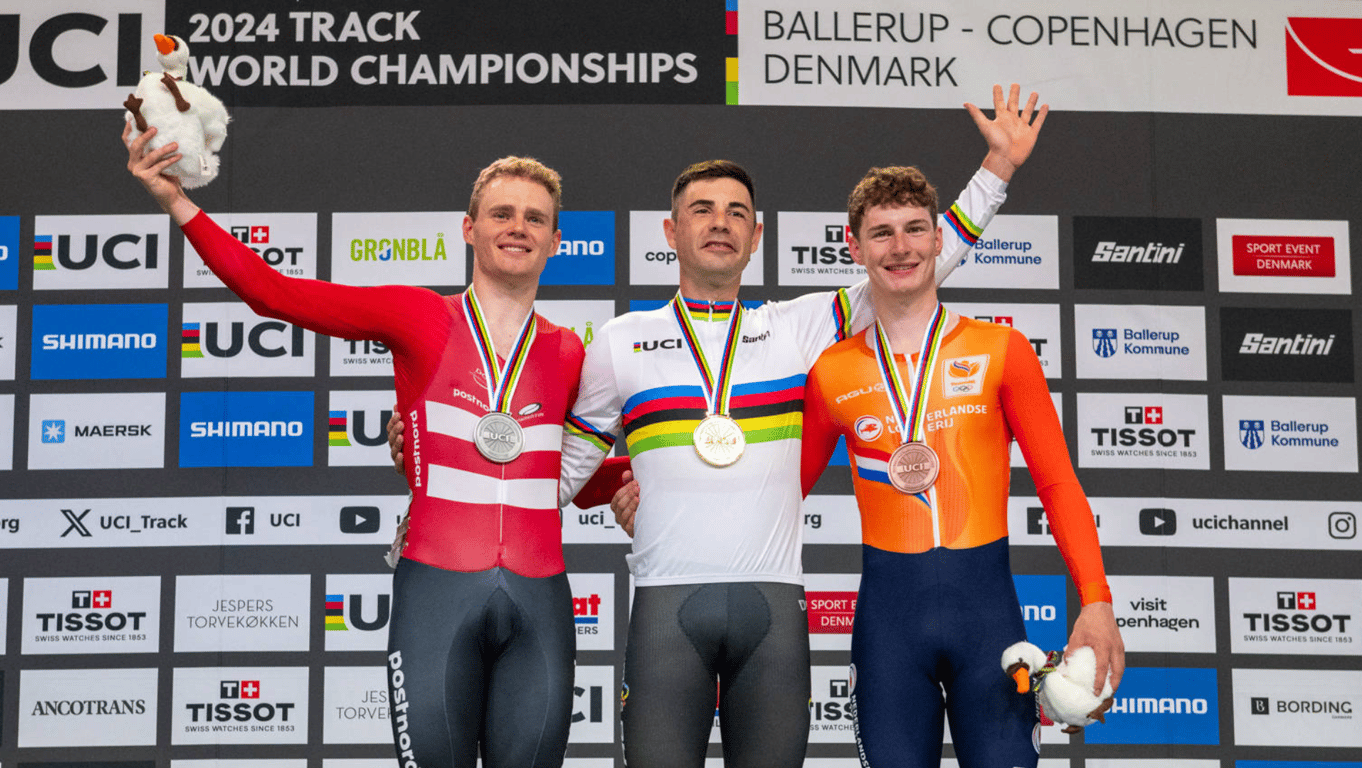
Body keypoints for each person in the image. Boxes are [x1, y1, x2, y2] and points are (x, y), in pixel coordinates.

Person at [555, 85, 1046, 768]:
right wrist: (438, 488)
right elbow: (558, 473)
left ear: (758, 236)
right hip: (666, 605)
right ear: (671, 232)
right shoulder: (618, 341)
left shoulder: (801, 328)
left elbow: (919, 260)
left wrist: (997, 170)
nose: (719, 223)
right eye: (701, 210)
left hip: (773, 612)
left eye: (737, 212)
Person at [125, 122, 592, 768]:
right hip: (437, 590)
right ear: (468, 229)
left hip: (541, 599)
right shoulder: (419, 315)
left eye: (535, 218)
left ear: (555, 241)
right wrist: (178, 202)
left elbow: (568, 473)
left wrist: (640, 479)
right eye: (502, 213)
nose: (519, 227)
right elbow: (275, 294)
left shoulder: (570, 351)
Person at [796, 162, 1124, 768]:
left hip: (989, 626)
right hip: (888, 631)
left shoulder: (1001, 349)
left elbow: (1056, 483)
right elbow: (776, 493)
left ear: (939, 239)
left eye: (916, 229)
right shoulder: (831, 372)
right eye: (882, 232)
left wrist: (1097, 602)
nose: (901, 248)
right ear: (853, 245)